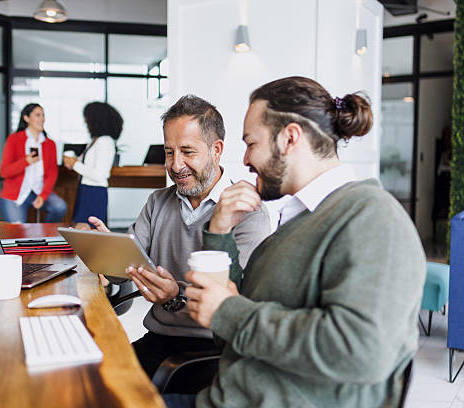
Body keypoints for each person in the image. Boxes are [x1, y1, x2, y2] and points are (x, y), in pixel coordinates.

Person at [167, 77, 426, 408]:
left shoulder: (373, 216)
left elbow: (362, 351)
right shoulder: (295, 220)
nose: (245, 160)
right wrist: (219, 232)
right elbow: (226, 332)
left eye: (251, 143)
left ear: (289, 138)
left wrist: (230, 312)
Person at [86, 95, 271, 378]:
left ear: (216, 149)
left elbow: (237, 302)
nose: (175, 165)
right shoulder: (158, 202)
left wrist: (176, 296)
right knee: (93, 380)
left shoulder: (248, 211)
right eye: (169, 152)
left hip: (213, 350)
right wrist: (107, 251)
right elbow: (120, 277)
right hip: (159, 338)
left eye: (187, 151)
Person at [0, 103, 67, 223]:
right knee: (17, 232)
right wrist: (25, 162)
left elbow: (52, 173)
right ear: (26, 118)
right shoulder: (14, 139)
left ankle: (44, 234)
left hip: (39, 191)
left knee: (60, 207)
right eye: (37, 115)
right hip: (15, 194)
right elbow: (4, 172)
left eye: (43, 115)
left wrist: (43, 195)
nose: (42, 119)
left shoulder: (50, 144)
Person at [63, 102, 123, 225]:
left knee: (88, 230)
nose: (85, 122)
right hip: (85, 189)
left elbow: (100, 175)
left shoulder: (105, 141)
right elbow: (85, 164)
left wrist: (74, 164)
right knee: (81, 229)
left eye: (87, 118)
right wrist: (73, 161)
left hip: (94, 193)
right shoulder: (95, 141)